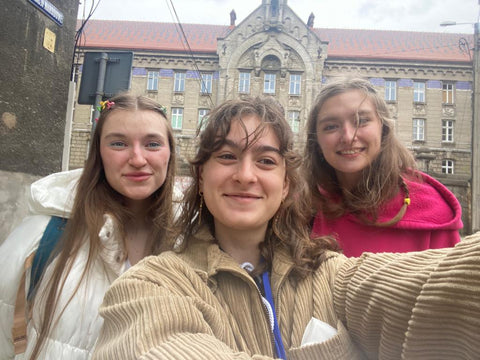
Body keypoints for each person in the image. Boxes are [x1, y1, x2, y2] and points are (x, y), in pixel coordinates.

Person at [91, 96, 479, 360]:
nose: (245, 176)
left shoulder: (332, 274)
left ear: (287, 183)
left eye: (265, 161)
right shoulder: (151, 285)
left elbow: (436, 291)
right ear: (201, 175)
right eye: (227, 156)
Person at [0, 93, 177, 360]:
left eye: (152, 144)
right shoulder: (40, 236)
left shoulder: (193, 239)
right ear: (98, 153)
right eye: (118, 143)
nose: (138, 159)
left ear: (170, 153)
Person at [304, 77, 463, 256]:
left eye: (361, 121)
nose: (348, 136)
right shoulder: (303, 207)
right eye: (331, 126)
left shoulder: (431, 211)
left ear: (384, 127)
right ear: (316, 139)